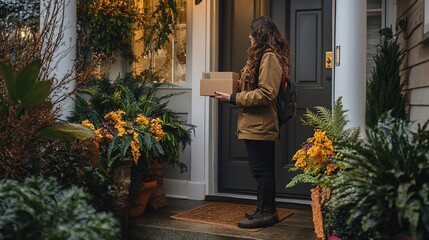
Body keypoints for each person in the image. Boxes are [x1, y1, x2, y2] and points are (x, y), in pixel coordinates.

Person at [213, 16, 290, 229]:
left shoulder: (269, 57)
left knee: (261, 171)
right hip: (255, 124)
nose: (248, 36)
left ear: (259, 34)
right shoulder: (262, 57)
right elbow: (255, 85)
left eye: (251, 33)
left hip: (260, 125)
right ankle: (266, 210)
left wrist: (233, 97)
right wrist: (235, 85)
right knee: (263, 170)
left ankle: (264, 214)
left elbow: (266, 93)